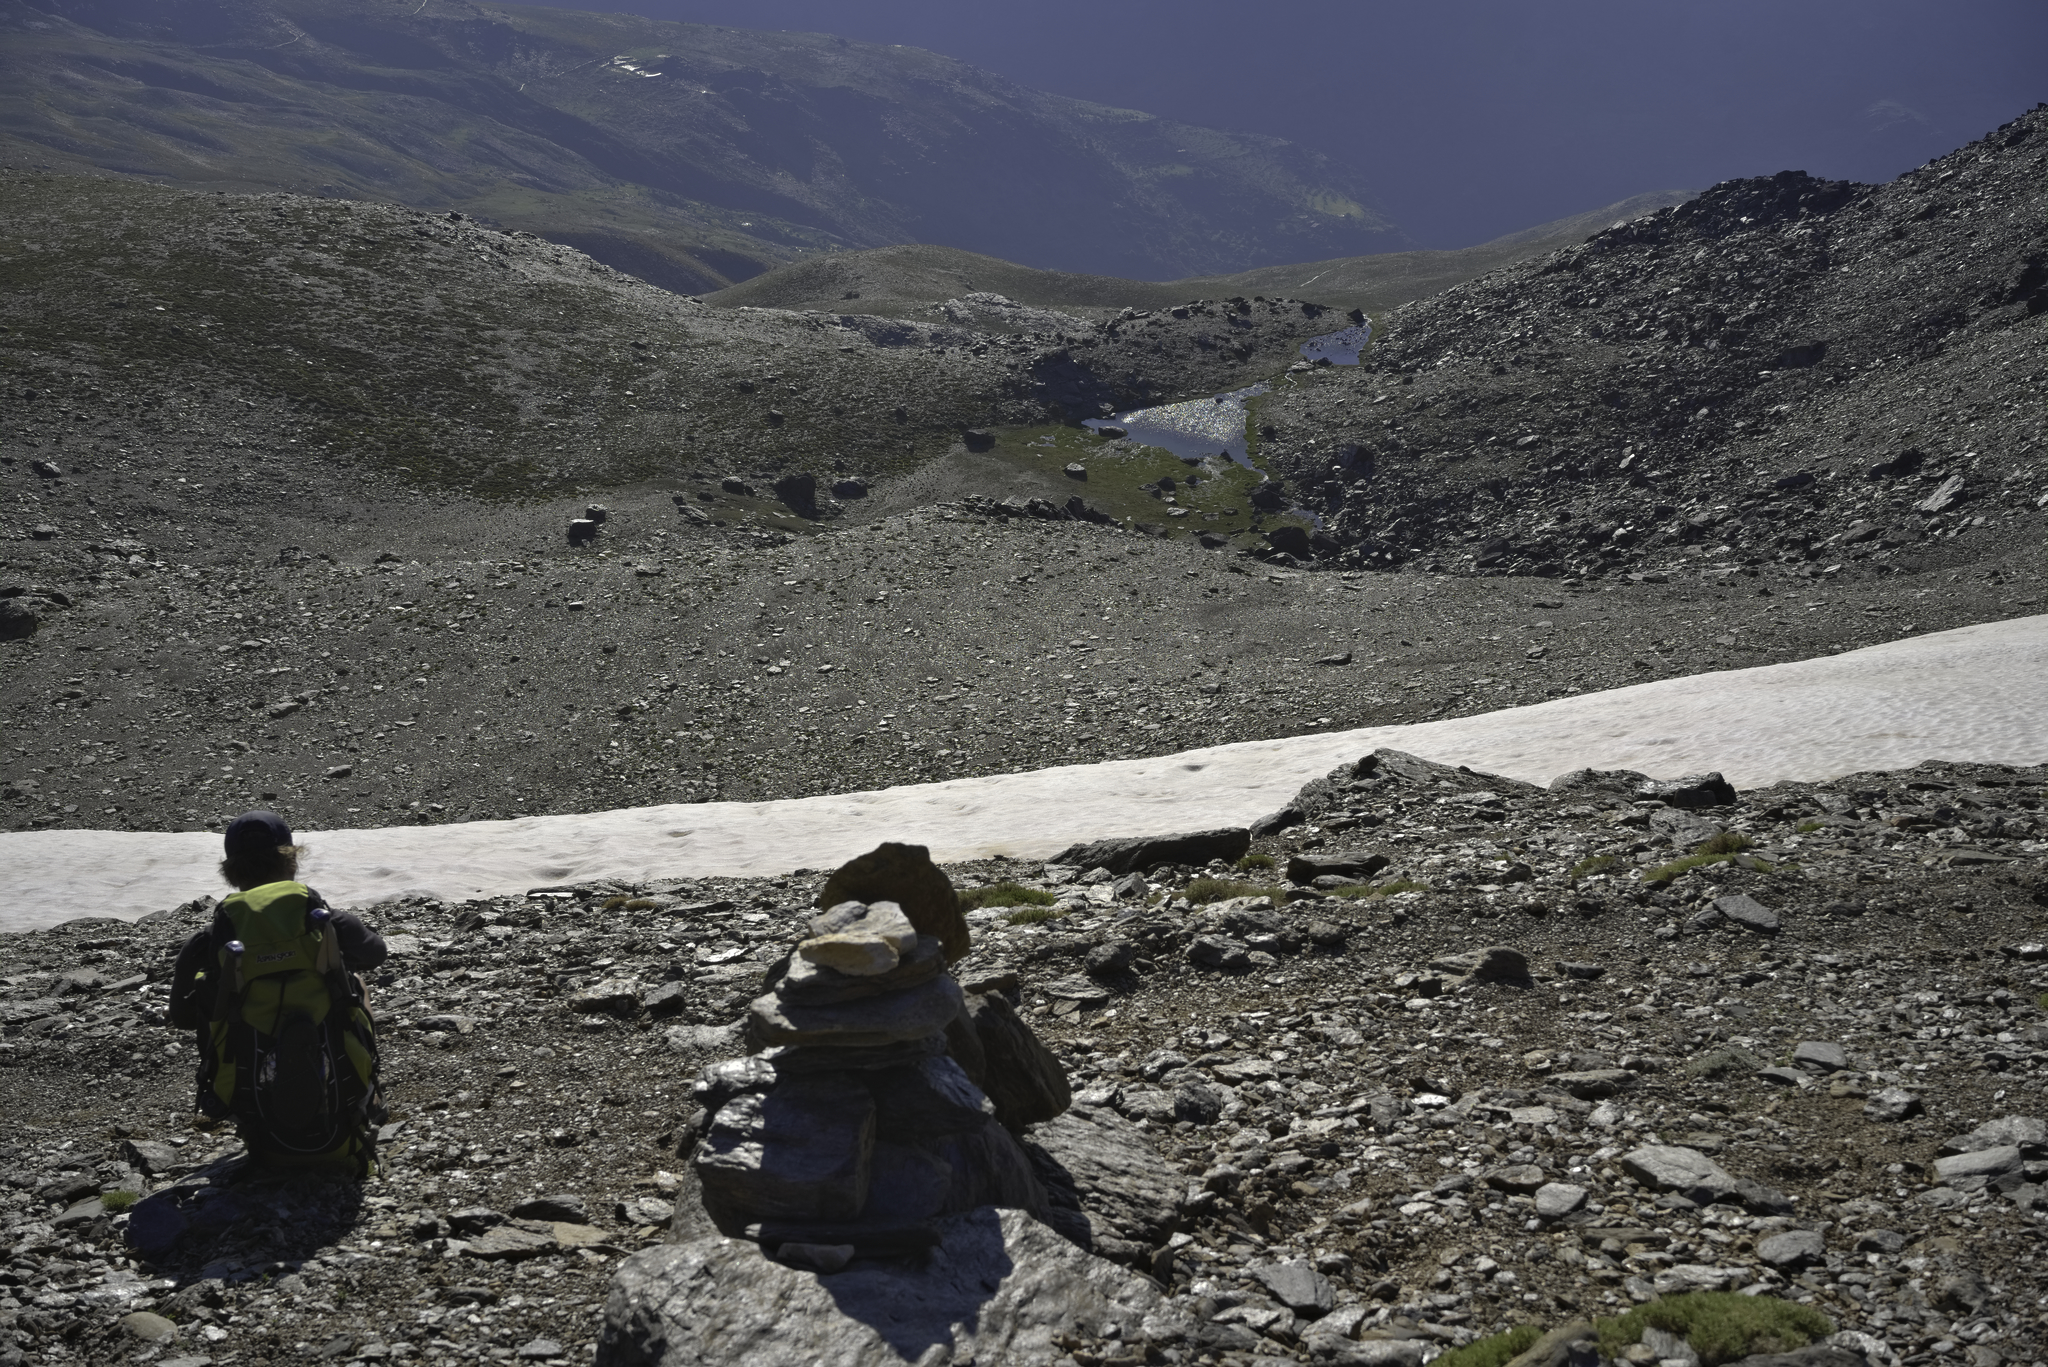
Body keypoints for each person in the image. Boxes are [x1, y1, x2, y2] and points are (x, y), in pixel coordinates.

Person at [168, 811, 388, 1174]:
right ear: (290, 859)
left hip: (257, 1118)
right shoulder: (323, 919)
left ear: (231, 870)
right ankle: (368, 1094)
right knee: (355, 984)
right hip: (341, 1121)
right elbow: (374, 954)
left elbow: (181, 1017)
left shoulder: (211, 939)